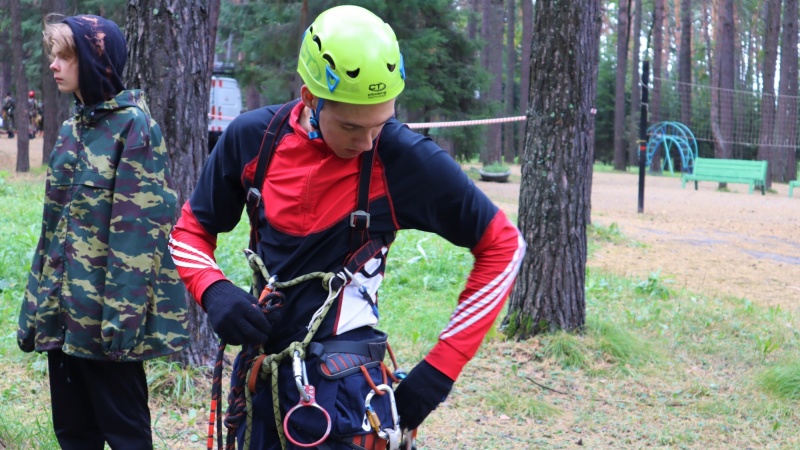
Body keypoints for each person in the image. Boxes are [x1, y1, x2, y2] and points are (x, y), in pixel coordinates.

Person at [170, 5, 525, 449]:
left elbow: (503, 247)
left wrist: (436, 375)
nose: (367, 142)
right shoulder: (252, 140)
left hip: (348, 403)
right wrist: (213, 289)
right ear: (310, 98)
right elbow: (188, 232)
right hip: (262, 387)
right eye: (353, 126)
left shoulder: (402, 158)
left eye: (381, 122)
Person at [17, 14, 190, 450]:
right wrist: (35, 306)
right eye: (53, 56)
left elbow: (137, 233)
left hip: (108, 320)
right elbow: (51, 230)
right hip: (64, 314)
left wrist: (122, 319)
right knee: (73, 432)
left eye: (64, 56)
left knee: (126, 434)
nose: (54, 65)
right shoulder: (72, 129)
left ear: (94, 61)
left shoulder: (135, 128)